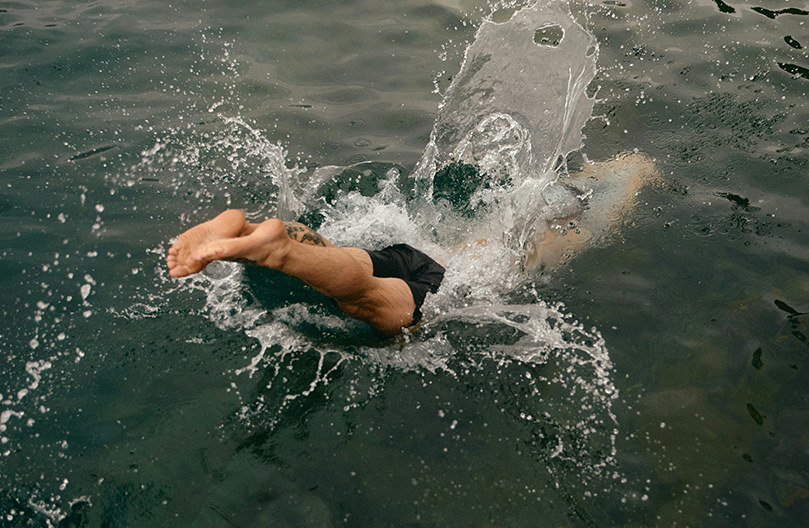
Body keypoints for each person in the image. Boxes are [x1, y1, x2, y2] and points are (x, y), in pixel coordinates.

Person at [167, 209, 445, 336]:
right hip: (437, 280)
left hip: (408, 256)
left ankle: (247, 232)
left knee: (336, 253)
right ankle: (280, 251)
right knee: (365, 301)